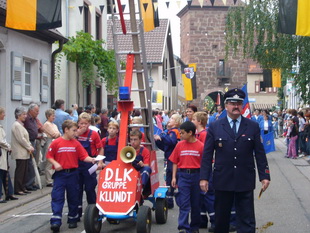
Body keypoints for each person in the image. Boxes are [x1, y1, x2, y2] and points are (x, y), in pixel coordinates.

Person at [200, 88, 270, 233]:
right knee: (221, 219)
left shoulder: (252, 126)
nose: (236, 106)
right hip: (222, 179)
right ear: (226, 106)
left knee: (246, 218)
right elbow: (207, 155)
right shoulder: (215, 126)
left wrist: (264, 175)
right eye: (232, 103)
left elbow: (259, 153)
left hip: (245, 178)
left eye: (239, 103)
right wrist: (204, 178)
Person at [46, 120, 96, 232]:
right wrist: (55, 163)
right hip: (60, 175)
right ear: (66, 130)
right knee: (57, 196)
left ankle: (72, 218)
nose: (76, 132)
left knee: (73, 197)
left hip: (73, 174)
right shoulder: (56, 143)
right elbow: (49, 156)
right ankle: (56, 221)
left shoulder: (76, 143)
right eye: (74, 130)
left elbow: (83, 156)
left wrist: (92, 160)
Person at [170, 121, 204, 233]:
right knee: (184, 203)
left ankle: (194, 227)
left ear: (190, 133)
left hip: (196, 176)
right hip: (183, 176)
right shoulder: (179, 145)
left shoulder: (201, 146)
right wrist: (174, 177)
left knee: (196, 203)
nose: (181, 135)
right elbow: (175, 161)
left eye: (183, 133)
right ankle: (183, 227)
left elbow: (205, 164)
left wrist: (204, 179)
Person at [76, 112, 104, 219]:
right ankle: (76, 213)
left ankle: (93, 212)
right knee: (77, 189)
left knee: (90, 188)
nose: (83, 126)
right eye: (81, 123)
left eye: (86, 123)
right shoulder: (75, 133)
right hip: (77, 164)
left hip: (90, 164)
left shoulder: (94, 134)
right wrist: (77, 134)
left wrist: (100, 161)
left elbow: (100, 148)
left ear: (89, 124)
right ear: (78, 123)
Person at [154, 113, 182, 209]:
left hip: (174, 159)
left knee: (174, 178)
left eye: (172, 118)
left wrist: (162, 137)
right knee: (169, 179)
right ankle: (169, 200)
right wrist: (158, 141)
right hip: (169, 157)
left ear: (177, 122)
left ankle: (178, 199)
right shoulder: (169, 132)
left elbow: (171, 142)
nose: (169, 119)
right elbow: (165, 147)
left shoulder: (174, 131)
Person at [11, 107, 35, 195]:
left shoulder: (20, 125)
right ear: (18, 115)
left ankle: (23, 187)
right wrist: (29, 147)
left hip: (24, 152)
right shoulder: (16, 125)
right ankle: (18, 189)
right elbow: (21, 139)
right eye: (24, 114)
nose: (25, 116)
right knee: (20, 171)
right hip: (20, 152)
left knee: (24, 171)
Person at [0, 107, 18, 203]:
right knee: (1, 173)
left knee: (5, 172)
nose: (4, 115)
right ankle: (2, 195)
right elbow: (1, 141)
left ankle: (9, 193)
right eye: (3, 113)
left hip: (3, 153)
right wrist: (8, 146)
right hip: (1, 153)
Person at [24, 103, 41, 191]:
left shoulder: (34, 119)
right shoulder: (27, 118)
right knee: (30, 163)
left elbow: (39, 127)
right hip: (29, 142)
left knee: (34, 163)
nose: (38, 113)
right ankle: (29, 184)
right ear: (31, 111)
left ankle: (32, 182)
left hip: (34, 141)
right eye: (36, 111)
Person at [42, 109, 61, 187]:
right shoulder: (46, 124)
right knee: (49, 162)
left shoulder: (54, 125)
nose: (54, 117)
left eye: (54, 116)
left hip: (55, 143)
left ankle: (53, 177)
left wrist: (57, 134)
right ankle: (48, 180)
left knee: (55, 160)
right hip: (50, 143)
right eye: (52, 116)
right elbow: (54, 134)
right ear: (48, 116)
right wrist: (57, 134)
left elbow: (59, 133)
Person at [129, 130, 152, 195]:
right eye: (131, 139)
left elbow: (147, 165)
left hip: (140, 171)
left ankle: (141, 188)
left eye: (135, 140)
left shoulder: (145, 151)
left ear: (140, 140)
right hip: (129, 171)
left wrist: (142, 164)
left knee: (147, 169)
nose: (133, 142)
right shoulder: (127, 150)